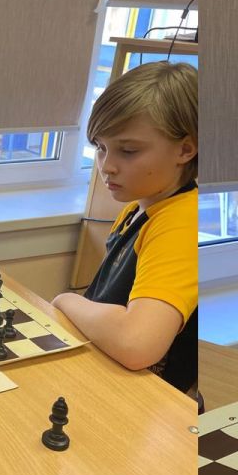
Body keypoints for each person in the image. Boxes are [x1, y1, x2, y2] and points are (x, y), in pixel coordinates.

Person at [51, 61, 197, 394]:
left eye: (128, 151)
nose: (107, 166)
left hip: (145, 401)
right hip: (106, 376)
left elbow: (137, 343)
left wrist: (64, 300)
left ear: (185, 149)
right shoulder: (136, 208)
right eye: (101, 148)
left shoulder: (181, 222)